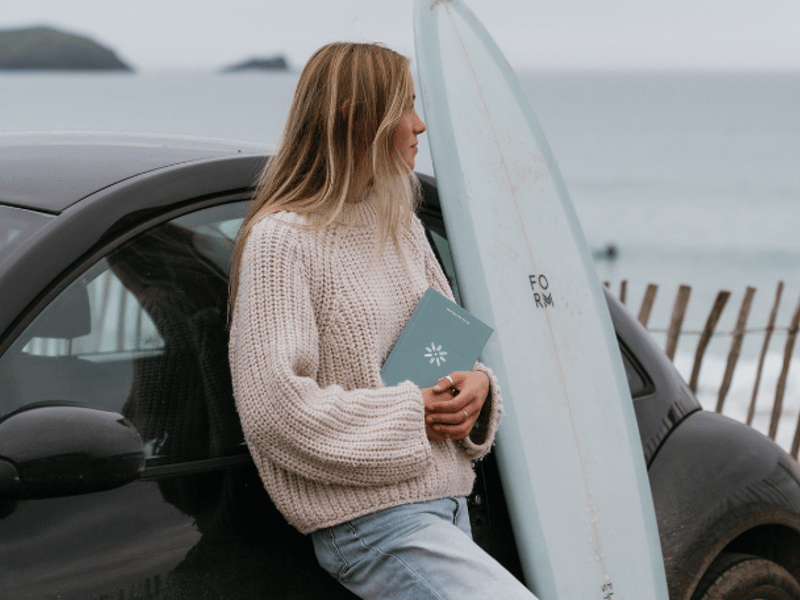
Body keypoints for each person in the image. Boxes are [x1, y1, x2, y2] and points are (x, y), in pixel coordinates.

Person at [228, 41, 537, 600]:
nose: (419, 125)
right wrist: (413, 408)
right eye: (405, 106)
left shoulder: (400, 223)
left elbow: (448, 348)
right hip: (374, 522)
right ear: (356, 116)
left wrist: (478, 388)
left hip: (443, 511)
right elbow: (274, 411)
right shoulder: (283, 242)